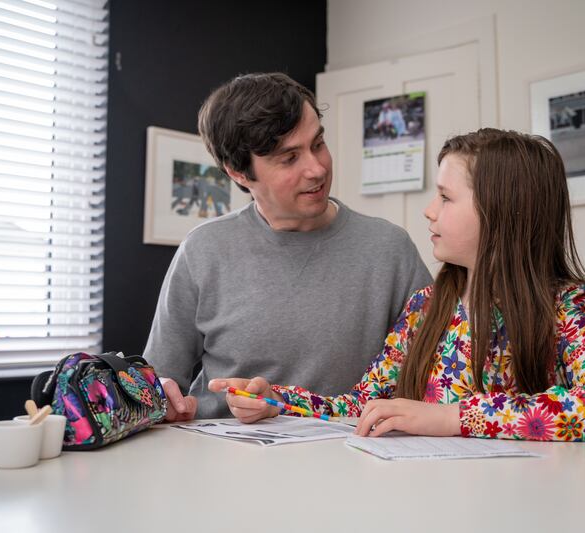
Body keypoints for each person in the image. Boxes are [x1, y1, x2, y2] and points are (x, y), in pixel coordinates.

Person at [209, 128, 585, 442]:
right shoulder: (427, 305)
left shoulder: (569, 308)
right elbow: (367, 403)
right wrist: (279, 401)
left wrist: (451, 418)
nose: (428, 210)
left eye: (445, 197)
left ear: (504, 213)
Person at [144, 73, 432, 421]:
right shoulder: (203, 250)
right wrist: (164, 400)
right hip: (226, 462)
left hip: (353, 459)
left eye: (318, 143)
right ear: (238, 172)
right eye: (289, 157)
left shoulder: (390, 249)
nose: (317, 168)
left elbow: (435, 379)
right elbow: (158, 382)